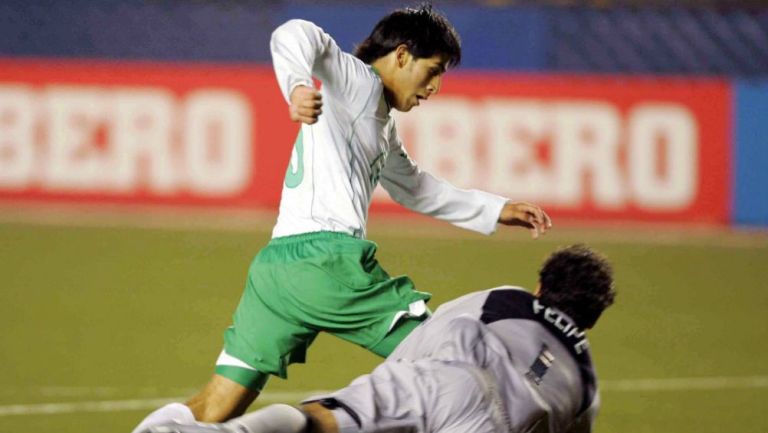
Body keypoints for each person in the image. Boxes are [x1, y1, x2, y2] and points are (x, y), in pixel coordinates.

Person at [132, 4, 552, 431]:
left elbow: (416, 187)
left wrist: (497, 209)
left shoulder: (379, 121)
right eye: (434, 70)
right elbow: (296, 33)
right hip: (326, 264)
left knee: (215, 406)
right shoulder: (357, 82)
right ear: (402, 55)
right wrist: (297, 86)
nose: (435, 87)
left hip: (278, 271)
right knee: (452, 357)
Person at [140, 244, 616, 433]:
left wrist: (384, 394)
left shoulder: (506, 299)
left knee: (321, 423)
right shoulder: (587, 382)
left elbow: (435, 333)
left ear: (541, 285)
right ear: (591, 318)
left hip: (441, 382)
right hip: (504, 424)